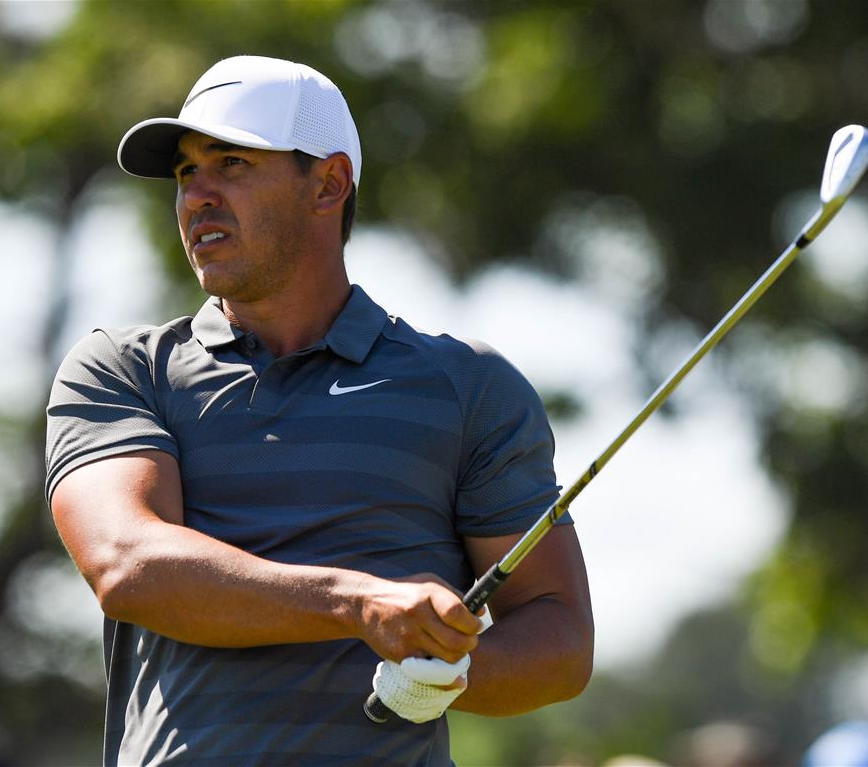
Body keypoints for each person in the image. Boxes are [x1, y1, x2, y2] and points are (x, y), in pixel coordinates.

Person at [45, 55, 594, 766]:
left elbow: (560, 638)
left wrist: (449, 672)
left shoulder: (468, 387)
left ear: (328, 182)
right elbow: (126, 563)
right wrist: (356, 603)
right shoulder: (123, 369)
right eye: (186, 173)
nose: (197, 196)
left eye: (231, 163)